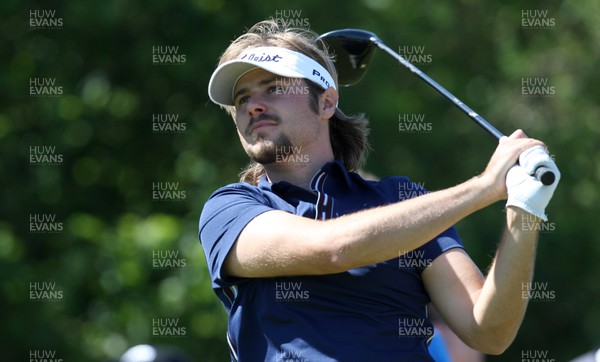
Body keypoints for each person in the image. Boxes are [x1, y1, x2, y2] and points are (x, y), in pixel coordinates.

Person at [199, 19, 560, 361]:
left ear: (326, 101)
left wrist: (525, 208)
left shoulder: (403, 199)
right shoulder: (231, 208)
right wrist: (483, 187)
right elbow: (332, 250)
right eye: (242, 98)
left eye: (274, 88)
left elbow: (488, 332)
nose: (253, 106)